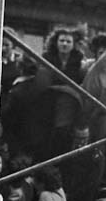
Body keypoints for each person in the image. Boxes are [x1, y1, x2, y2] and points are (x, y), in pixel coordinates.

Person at [37, 27, 87, 157]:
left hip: (70, 101)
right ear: (56, 42)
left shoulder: (80, 61)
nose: (64, 44)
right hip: (49, 99)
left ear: (73, 44)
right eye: (62, 40)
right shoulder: (47, 57)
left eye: (68, 41)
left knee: (64, 132)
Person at [60, 124, 106, 201]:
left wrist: (71, 195)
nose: (81, 142)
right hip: (64, 190)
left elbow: (92, 183)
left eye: (84, 139)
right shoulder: (66, 148)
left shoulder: (95, 156)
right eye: (78, 138)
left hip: (81, 198)